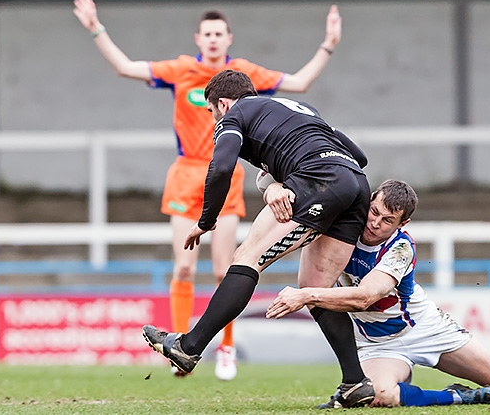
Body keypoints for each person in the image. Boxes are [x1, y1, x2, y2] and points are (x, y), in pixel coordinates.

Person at [72, 0, 342, 381]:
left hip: (226, 175)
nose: (213, 39)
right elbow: (126, 67)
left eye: (219, 33)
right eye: (207, 33)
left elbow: (298, 82)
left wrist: (327, 45)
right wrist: (95, 27)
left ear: (228, 38)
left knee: (224, 268)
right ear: (198, 39)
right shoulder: (181, 70)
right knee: (183, 267)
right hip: (186, 173)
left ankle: (225, 348)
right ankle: (179, 345)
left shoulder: (243, 75)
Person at [142, 69, 375, 408]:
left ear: (222, 103)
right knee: (315, 286)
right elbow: (359, 156)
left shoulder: (234, 114)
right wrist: (280, 179)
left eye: (211, 112)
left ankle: (188, 346)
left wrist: (206, 222)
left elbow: (221, 167)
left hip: (317, 179)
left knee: (246, 257)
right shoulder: (297, 107)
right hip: (356, 185)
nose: (213, 120)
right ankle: (355, 383)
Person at [265, 179, 490, 408]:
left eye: (387, 220)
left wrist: (305, 294)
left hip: (425, 330)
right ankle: (457, 398)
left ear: (403, 225)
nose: (374, 223)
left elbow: (366, 296)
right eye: (374, 211)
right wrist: (273, 187)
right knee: (377, 396)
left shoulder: (400, 249)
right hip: (376, 342)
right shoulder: (346, 228)